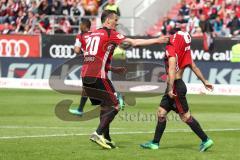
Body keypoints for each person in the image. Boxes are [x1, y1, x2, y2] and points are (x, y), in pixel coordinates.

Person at [82, 10, 169, 149]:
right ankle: (98, 133)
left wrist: (112, 69)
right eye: (115, 20)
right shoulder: (110, 33)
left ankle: (106, 137)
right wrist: (157, 40)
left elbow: (93, 58)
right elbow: (134, 42)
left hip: (85, 75)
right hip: (98, 75)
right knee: (116, 104)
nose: (117, 23)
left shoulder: (92, 35)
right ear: (108, 20)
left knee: (105, 106)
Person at [140, 30, 214, 152]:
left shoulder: (171, 49)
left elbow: (172, 69)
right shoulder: (185, 51)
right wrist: (204, 81)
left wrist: (170, 88)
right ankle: (155, 143)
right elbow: (194, 67)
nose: (171, 37)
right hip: (176, 85)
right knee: (161, 112)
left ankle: (205, 140)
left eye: (174, 36)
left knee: (185, 117)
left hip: (175, 87)